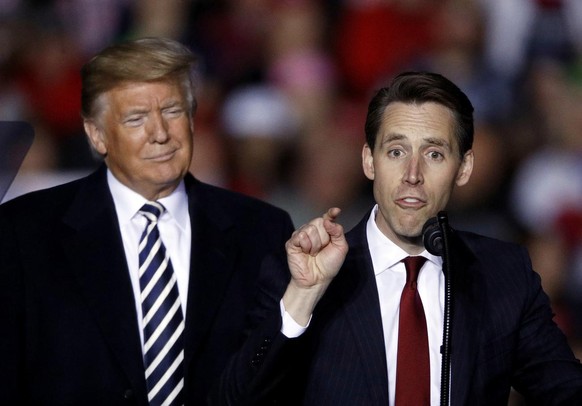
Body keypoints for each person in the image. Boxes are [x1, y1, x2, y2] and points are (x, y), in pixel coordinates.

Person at [0, 37, 346, 406]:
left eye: (173, 111)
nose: (160, 133)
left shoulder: (260, 230)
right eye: (136, 118)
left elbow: (267, 374)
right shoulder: (24, 233)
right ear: (97, 134)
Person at [249, 71, 582, 405]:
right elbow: (237, 395)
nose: (412, 175)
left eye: (434, 154)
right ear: (369, 160)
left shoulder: (502, 275)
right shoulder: (303, 276)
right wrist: (301, 299)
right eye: (396, 151)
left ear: (463, 168)